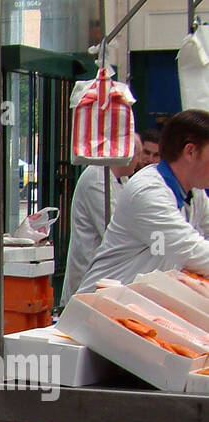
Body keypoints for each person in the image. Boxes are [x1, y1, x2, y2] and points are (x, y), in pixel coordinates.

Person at [78, 110, 209, 294]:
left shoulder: (195, 193)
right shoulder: (148, 191)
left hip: (138, 303)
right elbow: (190, 250)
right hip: (102, 305)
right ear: (190, 151)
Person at [60, 128, 161, 304]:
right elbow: (116, 230)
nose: (138, 162)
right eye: (139, 155)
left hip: (112, 279)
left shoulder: (124, 180)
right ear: (127, 155)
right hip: (91, 274)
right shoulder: (98, 178)